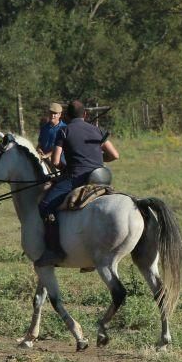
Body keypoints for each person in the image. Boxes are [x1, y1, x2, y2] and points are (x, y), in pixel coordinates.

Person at [35, 100, 120, 267]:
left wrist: (66, 168)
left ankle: (54, 251)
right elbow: (114, 155)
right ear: (85, 115)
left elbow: (56, 160)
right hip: (101, 177)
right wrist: (95, 159)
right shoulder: (97, 130)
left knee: (45, 205)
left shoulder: (64, 130)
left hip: (76, 178)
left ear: (66, 116)